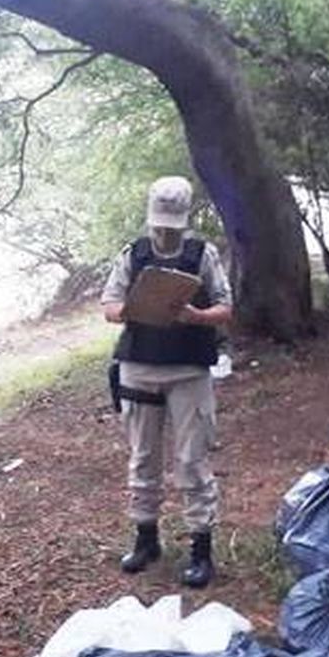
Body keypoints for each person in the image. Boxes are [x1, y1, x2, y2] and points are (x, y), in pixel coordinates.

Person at [100, 175, 233, 588]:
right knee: (143, 457)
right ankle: (145, 538)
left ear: (184, 221)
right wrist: (134, 309)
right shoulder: (134, 254)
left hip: (188, 369)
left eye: (171, 225)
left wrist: (195, 316)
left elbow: (226, 307)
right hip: (139, 365)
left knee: (192, 460)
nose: (164, 232)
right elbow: (109, 304)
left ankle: (201, 548)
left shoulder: (201, 254)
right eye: (159, 224)